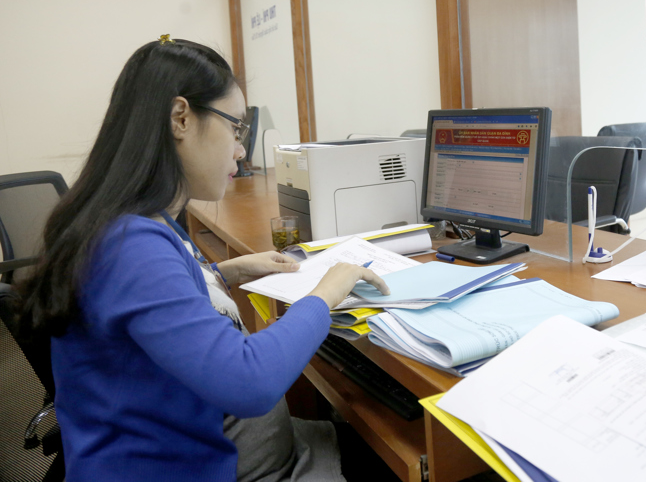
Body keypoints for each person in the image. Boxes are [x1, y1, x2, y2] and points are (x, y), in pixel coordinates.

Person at [17, 36, 390, 482]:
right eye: (235, 128)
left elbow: (146, 303)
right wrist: (327, 291)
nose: (239, 149)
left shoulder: (123, 221)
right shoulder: (131, 245)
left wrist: (221, 271)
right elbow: (250, 383)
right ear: (181, 118)